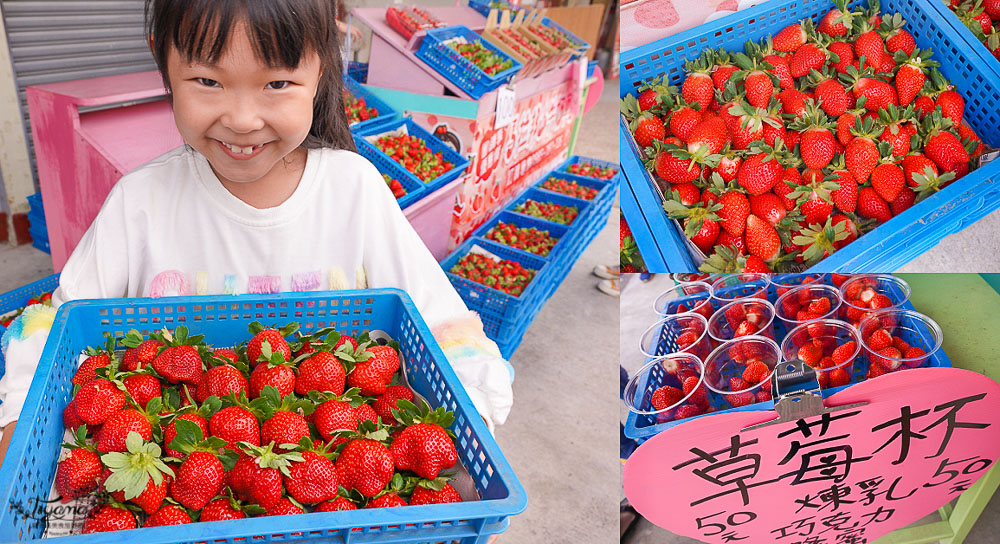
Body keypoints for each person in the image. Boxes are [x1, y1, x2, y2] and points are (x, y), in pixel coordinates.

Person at [0, 0, 513, 467]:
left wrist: (472, 421)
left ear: (321, 66)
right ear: (165, 62)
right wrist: (18, 423)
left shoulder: (353, 191)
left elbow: (447, 328)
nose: (242, 120)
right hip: (173, 464)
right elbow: (56, 331)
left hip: (336, 473)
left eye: (277, 84)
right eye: (207, 81)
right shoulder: (140, 204)